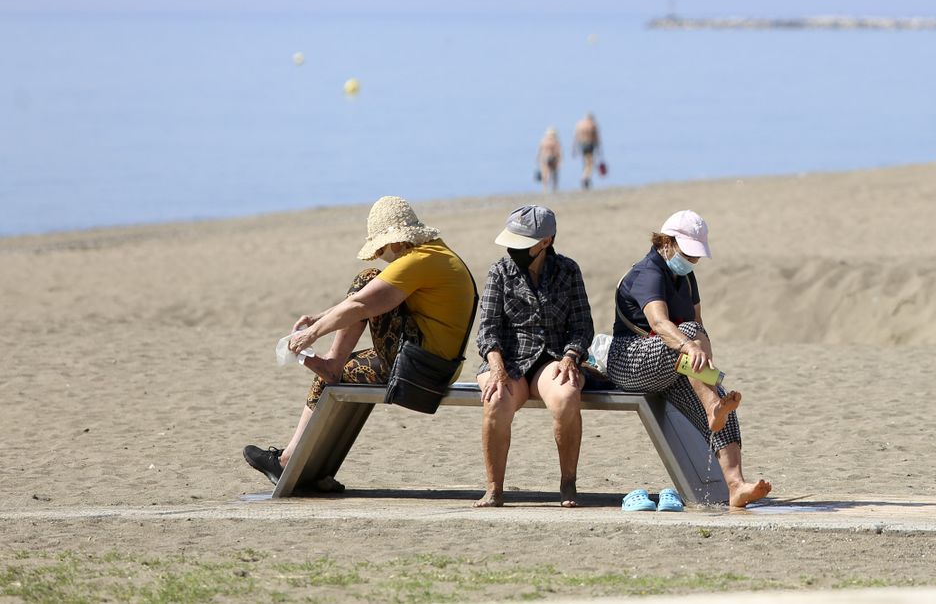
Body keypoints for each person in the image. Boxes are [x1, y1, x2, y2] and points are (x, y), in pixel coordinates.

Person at [243, 196, 476, 489]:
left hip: (421, 371)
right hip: (438, 364)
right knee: (334, 376)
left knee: (366, 279)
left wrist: (311, 335)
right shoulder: (435, 253)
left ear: (396, 242)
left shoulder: (416, 262)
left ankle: (331, 366)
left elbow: (360, 306)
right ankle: (299, 465)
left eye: (380, 248)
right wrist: (319, 319)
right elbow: (360, 304)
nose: (379, 255)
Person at [606, 209, 772, 508]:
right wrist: (690, 347)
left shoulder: (686, 277)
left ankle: (736, 486)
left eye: (696, 256)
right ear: (666, 242)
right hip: (630, 360)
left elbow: (699, 325)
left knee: (722, 395)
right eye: (689, 254)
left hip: (673, 365)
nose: (692, 261)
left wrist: (704, 363)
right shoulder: (648, 272)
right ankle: (712, 407)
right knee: (690, 337)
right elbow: (659, 324)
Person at [475, 205, 594, 509]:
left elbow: (582, 327)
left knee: (567, 396)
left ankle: (568, 482)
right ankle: (494, 488)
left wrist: (571, 356)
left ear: (546, 242)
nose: (513, 249)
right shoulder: (499, 272)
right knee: (496, 400)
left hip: (552, 358)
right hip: (506, 360)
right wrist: (497, 367)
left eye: (522, 243)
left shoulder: (569, 271)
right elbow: (487, 329)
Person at [572, 113, 603, 190]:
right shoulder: (593, 125)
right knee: (590, 164)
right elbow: (597, 137)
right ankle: (585, 178)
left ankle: (586, 180)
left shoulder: (579, 124)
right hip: (590, 144)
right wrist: (599, 149)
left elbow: (575, 137)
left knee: (586, 163)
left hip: (582, 145)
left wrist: (574, 149)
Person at [536, 127, 561, 192]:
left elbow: (539, 151)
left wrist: (537, 159)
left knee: (545, 173)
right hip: (552, 157)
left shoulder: (543, 141)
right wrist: (559, 161)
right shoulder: (555, 141)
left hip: (544, 158)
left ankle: (545, 188)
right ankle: (554, 187)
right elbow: (558, 152)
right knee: (554, 173)